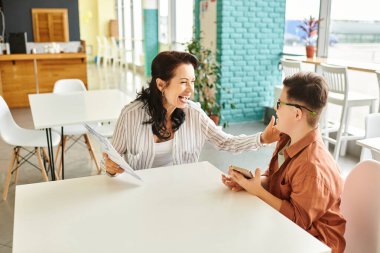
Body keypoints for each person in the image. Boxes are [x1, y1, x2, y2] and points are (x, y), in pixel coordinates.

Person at [222, 72, 346, 253]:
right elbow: (275, 180)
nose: (275, 108)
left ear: (297, 114)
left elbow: (298, 220)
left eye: (280, 103)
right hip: (286, 227)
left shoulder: (312, 167)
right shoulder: (287, 138)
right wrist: (250, 183)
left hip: (316, 242)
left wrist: (258, 191)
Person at [104, 51, 279, 174]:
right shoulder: (130, 115)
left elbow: (225, 142)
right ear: (160, 84)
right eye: (183, 82)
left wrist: (262, 138)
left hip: (183, 190)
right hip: (142, 194)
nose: (190, 90)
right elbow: (113, 158)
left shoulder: (194, 113)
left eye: (192, 81)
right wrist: (111, 168)